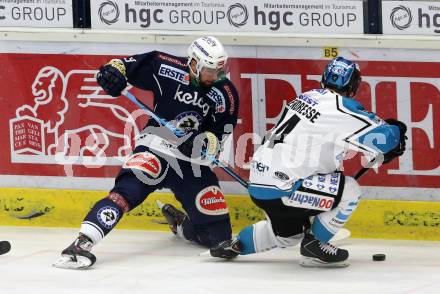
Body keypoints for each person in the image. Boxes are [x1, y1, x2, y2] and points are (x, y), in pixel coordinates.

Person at [53, 36, 240, 269]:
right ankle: (81, 243)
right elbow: (121, 66)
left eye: (219, 70)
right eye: (209, 71)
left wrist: (202, 142)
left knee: (220, 239)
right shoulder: (165, 65)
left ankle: (181, 225)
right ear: (193, 63)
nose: (215, 76)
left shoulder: (225, 93)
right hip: (155, 147)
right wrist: (111, 74)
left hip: (191, 163)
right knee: (125, 193)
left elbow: (219, 137)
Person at [210, 56, 407, 267]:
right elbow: (385, 139)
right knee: (350, 190)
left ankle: (237, 244)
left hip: (259, 186)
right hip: (286, 188)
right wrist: (397, 131)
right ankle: (315, 244)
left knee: (289, 235)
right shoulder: (342, 107)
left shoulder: (305, 97)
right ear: (353, 85)